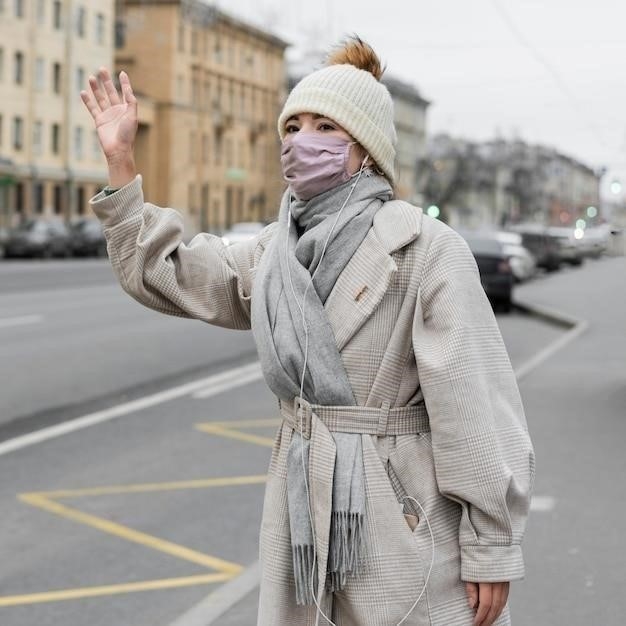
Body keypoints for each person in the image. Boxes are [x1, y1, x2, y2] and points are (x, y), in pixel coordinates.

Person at [81, 36, 534, 626]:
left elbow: (473, 406)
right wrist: (122, 163)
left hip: (399, 511)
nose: (300, 140)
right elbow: (168, 273)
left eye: (323, 125)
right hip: (301, 504)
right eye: (291, 126)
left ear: (366, 148)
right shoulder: (275, 251)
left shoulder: (425, 249)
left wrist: (490, 545)